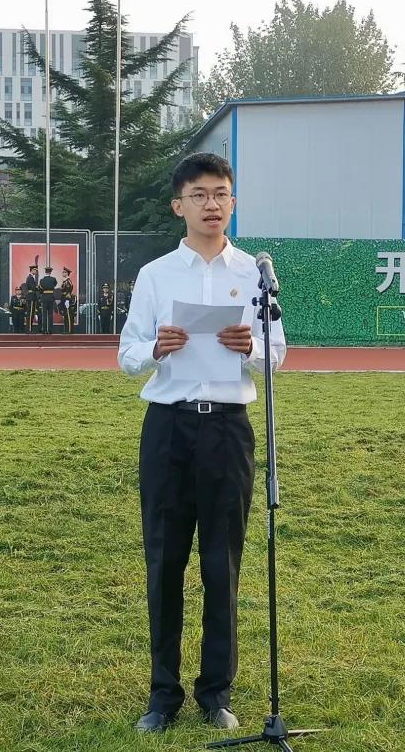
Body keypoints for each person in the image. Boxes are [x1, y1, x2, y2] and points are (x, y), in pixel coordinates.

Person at [118, 152, 286, 734]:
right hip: (169, 427)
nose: (211, 204)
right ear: (179, 206)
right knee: (165, 560)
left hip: (229, 431)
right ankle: (162, 695)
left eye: (220, 194)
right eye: (199, 195)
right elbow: (126, 353)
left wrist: (250, 348)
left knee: (222, 563)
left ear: (232, 202)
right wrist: (156, 348)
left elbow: (278, 353)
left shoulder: (256, 273)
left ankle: (216, 691)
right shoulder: (157, 275)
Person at [38, 265, 58, 335]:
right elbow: (55, 285)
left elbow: (40, 290)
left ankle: (44, 330)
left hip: (44, 298)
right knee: (50, 315)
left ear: (45, 272)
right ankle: (50, 330)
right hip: (51, 298)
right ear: (50, 272)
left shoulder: (41, 280)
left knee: (44, 315)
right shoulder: (53, 279)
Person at [24, 259, 40, 334]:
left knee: (31, 313)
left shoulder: (31, 277)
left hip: (31, 296)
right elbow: (33, 287)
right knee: (30, 314)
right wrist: (38, 287)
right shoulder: (30, 278)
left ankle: (29, 328)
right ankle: (29, 329)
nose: (36, 271)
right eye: (35, 270)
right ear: (32, 270)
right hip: (31, 297)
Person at [60, 267, 76, 334]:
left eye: (64, 272)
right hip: (64, 298)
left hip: (67, 299)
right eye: (63, 272)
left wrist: (67, 300)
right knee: (66, 314)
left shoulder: (68, 281)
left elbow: (68, 291)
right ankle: (66, 329)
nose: (63, 273)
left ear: (67, 273)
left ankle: (69, 330)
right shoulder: (65, 281)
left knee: (68, 314)